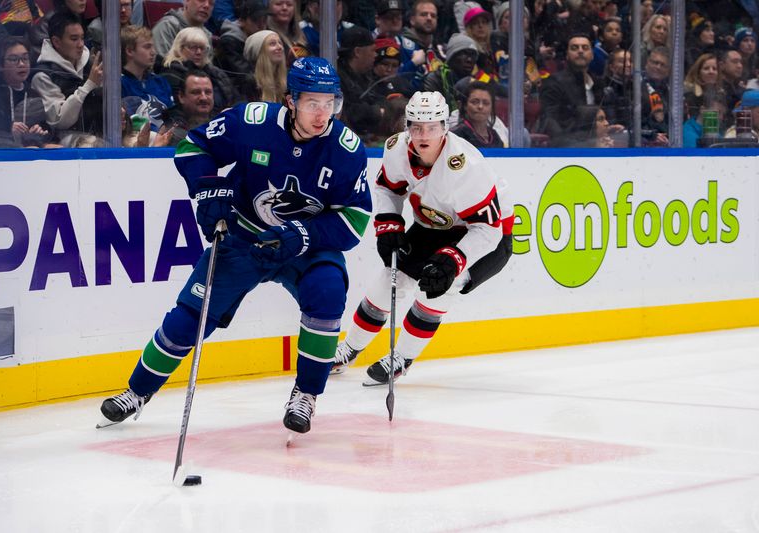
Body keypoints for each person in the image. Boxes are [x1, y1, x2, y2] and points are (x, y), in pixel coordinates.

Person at [98, 57, 372, 435]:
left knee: (326, 293)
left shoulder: (346, 148)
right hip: (244, 236)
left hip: (304, 246)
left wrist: (307, 235)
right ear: (291, 100)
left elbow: (355, 218)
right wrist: (208, 187)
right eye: (312, 103)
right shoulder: (252, 121)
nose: (322, 114)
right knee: (187, 319)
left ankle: (306, 395)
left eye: (330, 103)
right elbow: (194, 147)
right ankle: (136, 391)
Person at [331, 91, 513, 384]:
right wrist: (388, 222)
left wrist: (453, 259)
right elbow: (388, 189)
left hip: (486, 235)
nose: (423, 134)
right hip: (434, 225)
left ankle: (401, 358)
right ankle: (349, 349)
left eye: (431, 127)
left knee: (441, 286)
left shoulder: (467, 167)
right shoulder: (396, 149)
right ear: (407, 127)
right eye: (416, 126)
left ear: (445, 127)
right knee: (389, 279)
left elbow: (488, 230)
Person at [31, 12, 103, 143]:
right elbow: (60, 121)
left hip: (98, 128)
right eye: (74, 39)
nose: (81, 44)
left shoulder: (89, 62)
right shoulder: (43, 75)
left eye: (82, 38)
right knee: (95, 145)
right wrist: (90, 84)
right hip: (62, 138)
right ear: (57, 42)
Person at [537, 32, 604, 146]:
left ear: (592, 55)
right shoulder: (554, 82)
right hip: (568, 148)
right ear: (567, 55)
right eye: (574, 48)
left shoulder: (598, 83)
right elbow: (550, 122)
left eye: (585, 47)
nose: (580, 51)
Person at [160, 27, 239, 113]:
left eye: (202, 48)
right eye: (193, 47)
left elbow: (235, 99)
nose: (198, 52)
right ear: (180, 48)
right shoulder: (171, 74)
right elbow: (177, 109)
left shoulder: (216, 73)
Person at [161, 69, 215, 146]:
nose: (204, 98)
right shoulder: (170, 132)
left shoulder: (222, 124)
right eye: (196, 92)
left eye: (208, 92)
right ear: (181, 96)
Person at [450, 79, 505, 148]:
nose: (480, 106)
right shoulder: (456, 136)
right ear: (464, 105)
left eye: (486, 103)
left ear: (492, 107)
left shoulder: (495, 137)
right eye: (474, 102)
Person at [242, 29, 287, 103]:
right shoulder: (250, 83)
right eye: (272, 44)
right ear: (259, 52)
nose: (280, 47)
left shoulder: (287, 78)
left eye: (280, 43)